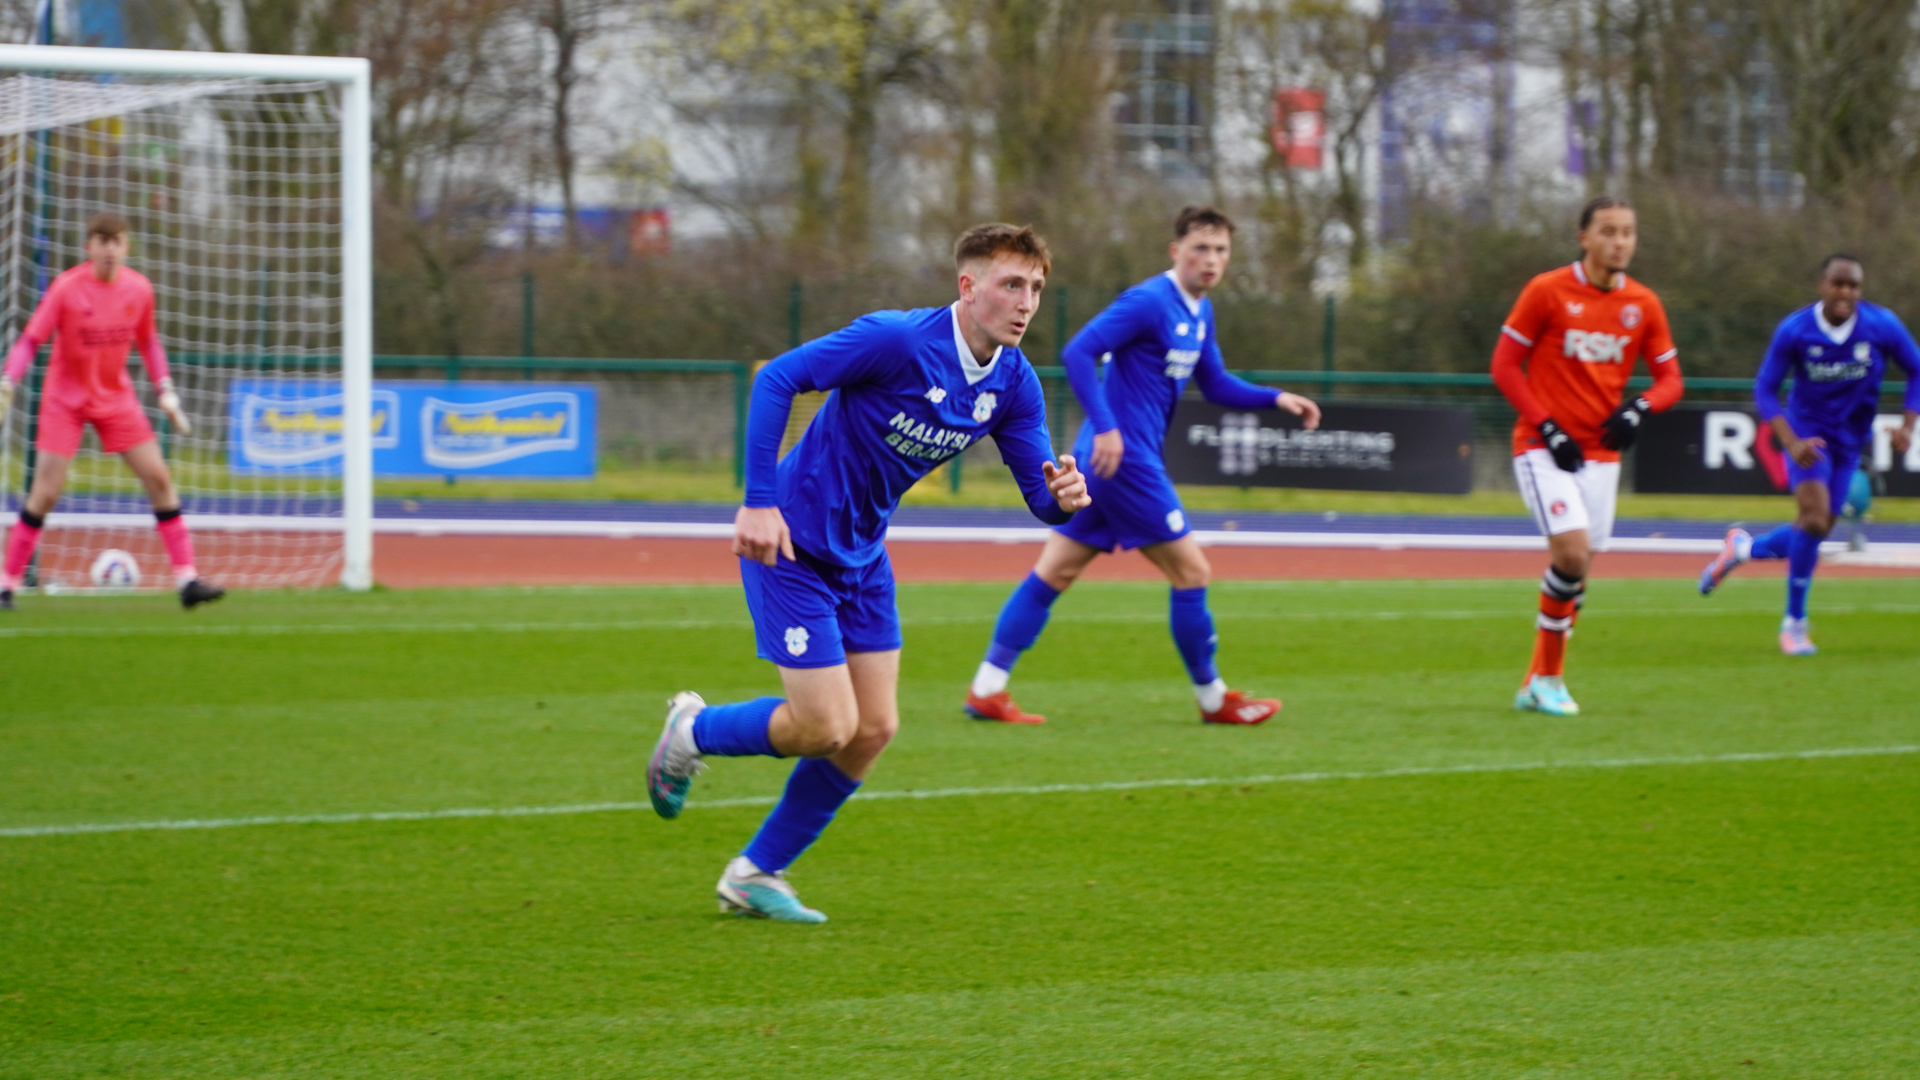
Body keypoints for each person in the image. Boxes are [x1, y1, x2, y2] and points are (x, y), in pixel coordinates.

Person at [644, 224, 1089, 923]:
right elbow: (780, 378)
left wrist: (1061, 497)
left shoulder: (1014, 382)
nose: (1026, 301)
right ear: (968, 287)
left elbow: (1040, 495)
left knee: (873, 728)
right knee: (826, 726)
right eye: (1010, 284)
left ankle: (757, 871)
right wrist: (758, 503)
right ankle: (692, 732)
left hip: (864, 555)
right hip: (790, 542)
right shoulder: (899, 341)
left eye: (1035, 287)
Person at [961, 207, 1319, 727]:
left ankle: (987, 687)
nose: (1211, 259)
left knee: (1055, 571)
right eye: (1200, 248)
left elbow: (1215, 383)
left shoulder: (1200, 312)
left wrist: (1276, 398)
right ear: (1176, 252)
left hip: (1104, 464)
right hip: (1126, 461)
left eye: (1220, 250)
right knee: (1191, 570)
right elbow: (1080, 351)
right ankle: (1214, 698)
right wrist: (1106, 426)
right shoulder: (1151, 301)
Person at [1491, 194, 1683, 715]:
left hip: (1602, 456)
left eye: (1628, 232)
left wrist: (1638, 408)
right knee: (1571, 556)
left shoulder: (1643, 303)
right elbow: (1505, 366)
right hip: (1543, 448)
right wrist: (1547, 426)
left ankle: (1535, 680)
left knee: (1578, 576)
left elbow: (1671, 380)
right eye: (1608, 231)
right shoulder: (1547, 291)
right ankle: (1551, 680)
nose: (1620, 241)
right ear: (1584, 238)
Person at [1697, 255, 1920, 653]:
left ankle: (1742, 550)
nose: (1845, 293)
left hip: (1849, 440)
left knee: (1814, 530)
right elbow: (1765, 388)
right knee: (1815, 521)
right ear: (1822, 286)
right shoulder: (1796, 330)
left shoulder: (1881, 325)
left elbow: (1916, 369)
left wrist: (1908, 424)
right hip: (1806, 436)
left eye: (1853, 286)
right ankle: (1794, 623)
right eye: (1838, 284)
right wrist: (1789, 440)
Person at [0, 212, 222, 609]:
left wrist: (165, 388)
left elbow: (149, 342)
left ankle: (187, 581)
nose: (108, 249)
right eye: (101, 241)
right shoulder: (67, 289)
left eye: (115, 241)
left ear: (126, 247)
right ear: (89, 247)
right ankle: (6, 584)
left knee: (158, 477)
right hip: (64, 401)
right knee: (46, 493)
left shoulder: (139, 290)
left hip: (115, 399)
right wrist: (8, 380)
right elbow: (32, 339)